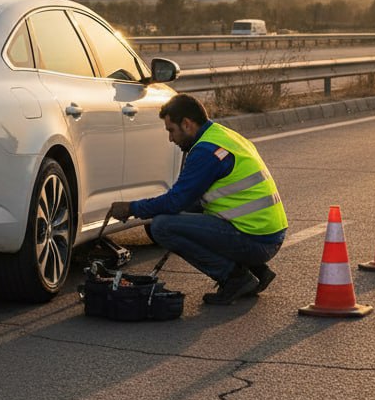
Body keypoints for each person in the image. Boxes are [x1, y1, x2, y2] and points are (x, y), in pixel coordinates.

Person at [110, 93, 288, 305]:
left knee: (162, 227)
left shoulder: (206, 151)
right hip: (266, 234)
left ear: (187, 124)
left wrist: (132, 208)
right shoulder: (222, 135)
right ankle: (257, 271)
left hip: (256, 240)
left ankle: (234, 277)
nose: (170, 139)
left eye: (171, 130)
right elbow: (190, 201)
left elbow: (175, 201)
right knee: (183, 211)